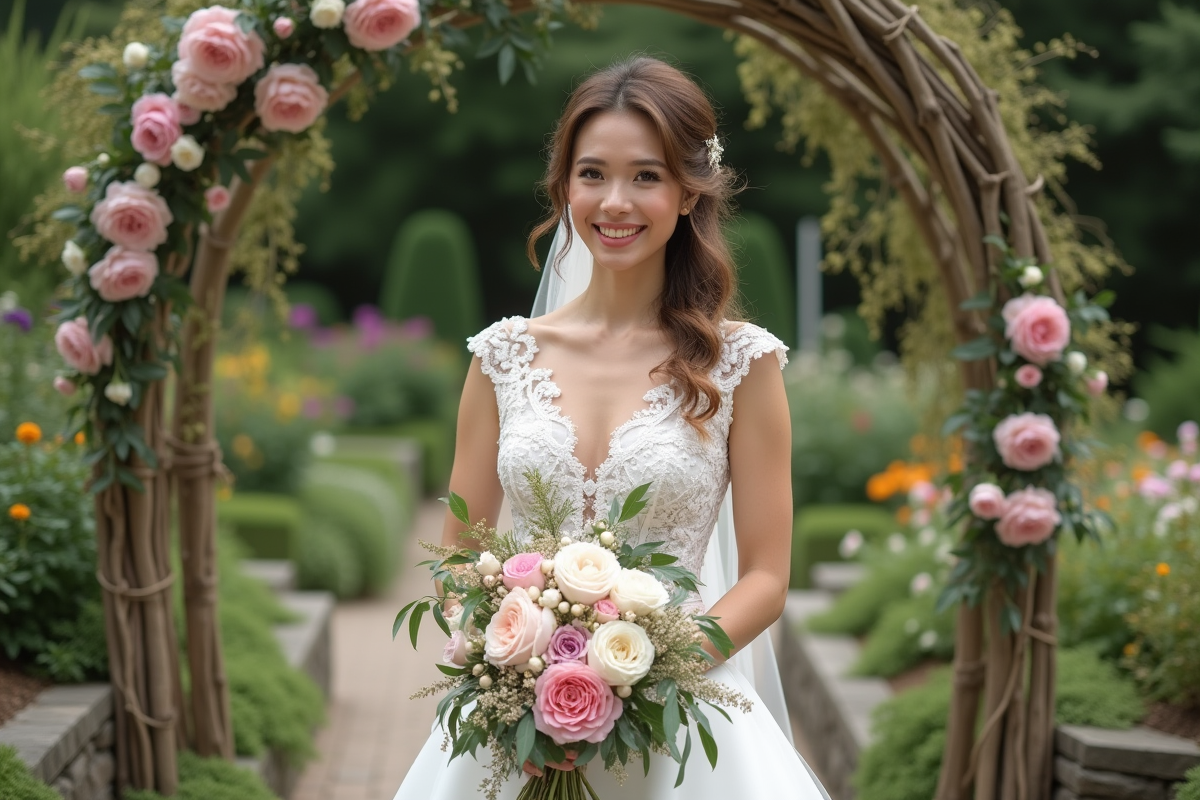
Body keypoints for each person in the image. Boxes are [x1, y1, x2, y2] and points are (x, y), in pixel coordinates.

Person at [394, 55, 830, 799]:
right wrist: (516, 658)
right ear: (564, 185)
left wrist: (650, 666)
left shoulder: (742, 366)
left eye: (647, 176)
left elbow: (765, 575)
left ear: (689, 192)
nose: (615, 201)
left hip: (684, 723)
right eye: (592, 173)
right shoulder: (501, 357)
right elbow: (460, 554)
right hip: (515, 721)